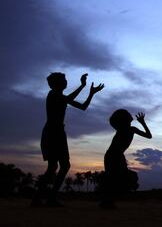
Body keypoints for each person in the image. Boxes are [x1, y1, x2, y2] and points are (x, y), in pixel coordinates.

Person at [32, 73, 104, 207]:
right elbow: (69, 99)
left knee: (57, 166)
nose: (66, 82)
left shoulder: (61, 97)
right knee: (59, 166)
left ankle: (44, 199)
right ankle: (46, 199)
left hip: (57, 133)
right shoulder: (53, 94)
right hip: (53, 133)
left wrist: (91, 93)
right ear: (56, 83)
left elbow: (83, 107)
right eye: (64, 80)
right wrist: (82, 86)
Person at [100, 110, 152, 209]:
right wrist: (142, 122)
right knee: (115, 179)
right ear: (124, 119)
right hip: (112, 156)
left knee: (118, 179)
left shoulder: (132, 129)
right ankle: (107, 202)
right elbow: (113, 121)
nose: (130, 114)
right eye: (127, 114)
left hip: (117, 155)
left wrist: (143, 122)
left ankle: (108, 201)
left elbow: (149, 136)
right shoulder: (122, 128)